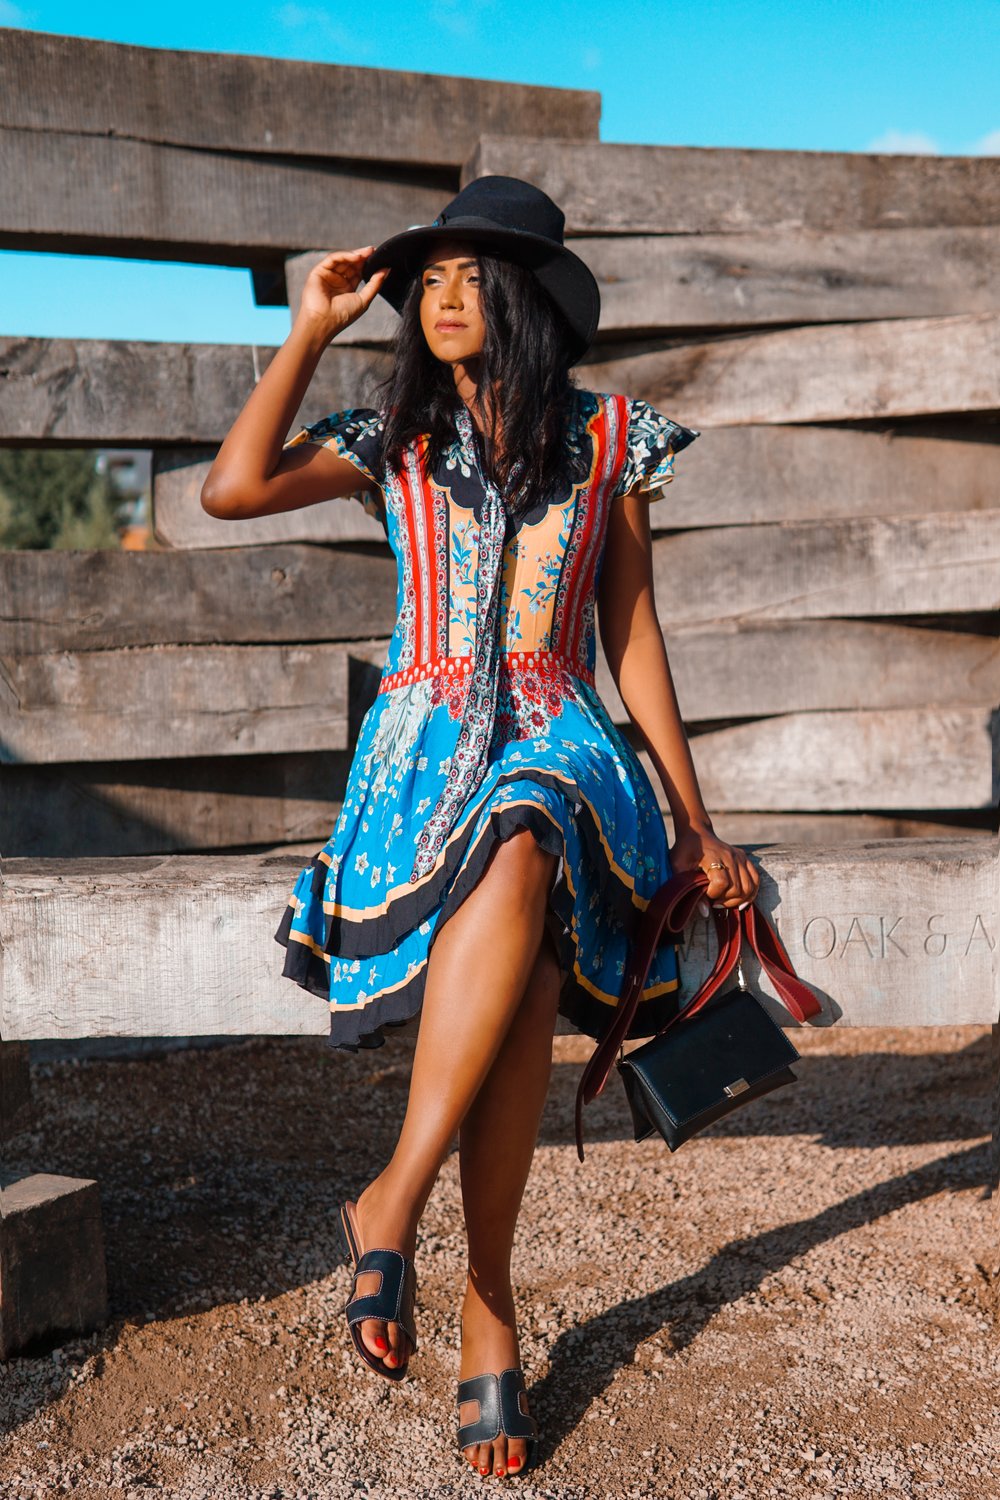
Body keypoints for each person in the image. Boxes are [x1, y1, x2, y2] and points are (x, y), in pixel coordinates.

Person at [202, 176, 761, 1480]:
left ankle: (389, 1201)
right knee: (518, 977)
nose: (443, 298)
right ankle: (490, 1307)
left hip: (565, 744)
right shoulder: (387, 432)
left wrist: (693, 820)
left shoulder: (616, 436)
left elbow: (631, 635)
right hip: (419, 755)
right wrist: (308, 332)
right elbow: (230, 490)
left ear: (521, 297)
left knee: (527, 821)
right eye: (427, 280)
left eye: (469, 277)